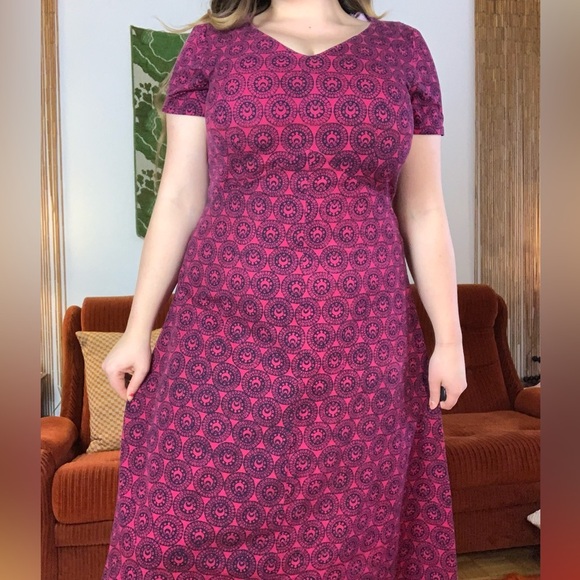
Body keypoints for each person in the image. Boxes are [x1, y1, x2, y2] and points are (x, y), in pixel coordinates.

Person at [102, 0, 467, 577]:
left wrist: (450, 340)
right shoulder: (213, 46)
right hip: (223, 333)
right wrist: (136, 329)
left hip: (362, 343)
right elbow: (178, 197)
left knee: (350, 541)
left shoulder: (402, 49)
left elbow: (423, 208)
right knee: (176, 523)